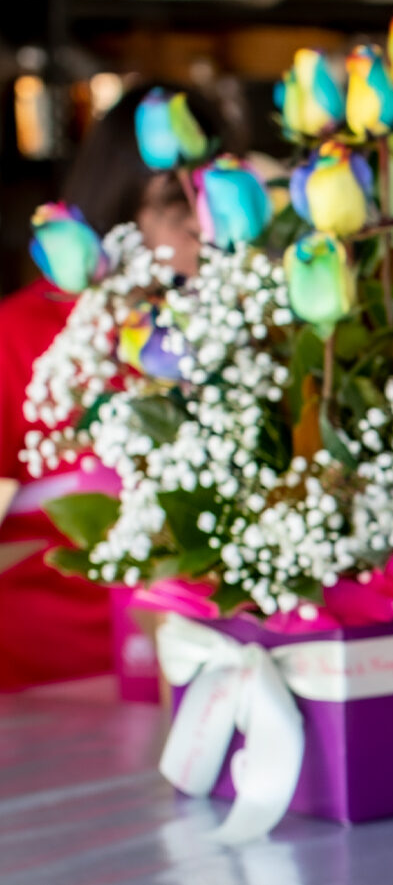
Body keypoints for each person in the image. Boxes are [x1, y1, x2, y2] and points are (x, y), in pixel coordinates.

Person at [0, 83, 213, 690]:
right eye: (175, 203)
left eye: (216, 199)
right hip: (46, 688)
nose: (203, 227)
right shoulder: (20, 336)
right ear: (117, 207)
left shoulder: (238, 335)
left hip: (203, 676)